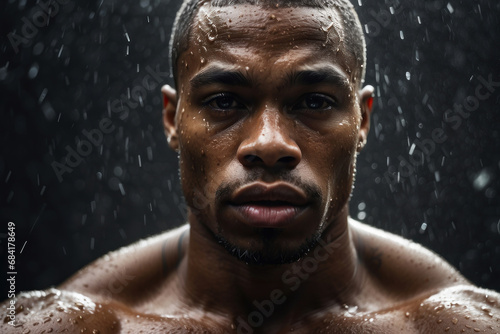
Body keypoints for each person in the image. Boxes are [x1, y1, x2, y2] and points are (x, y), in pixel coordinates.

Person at [2, 0, 499, 333]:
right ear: (173, 118)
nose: (269, 144)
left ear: (362, 120)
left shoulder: (453, 324)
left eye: (313, 102)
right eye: (224, 101)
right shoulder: (77, 325)